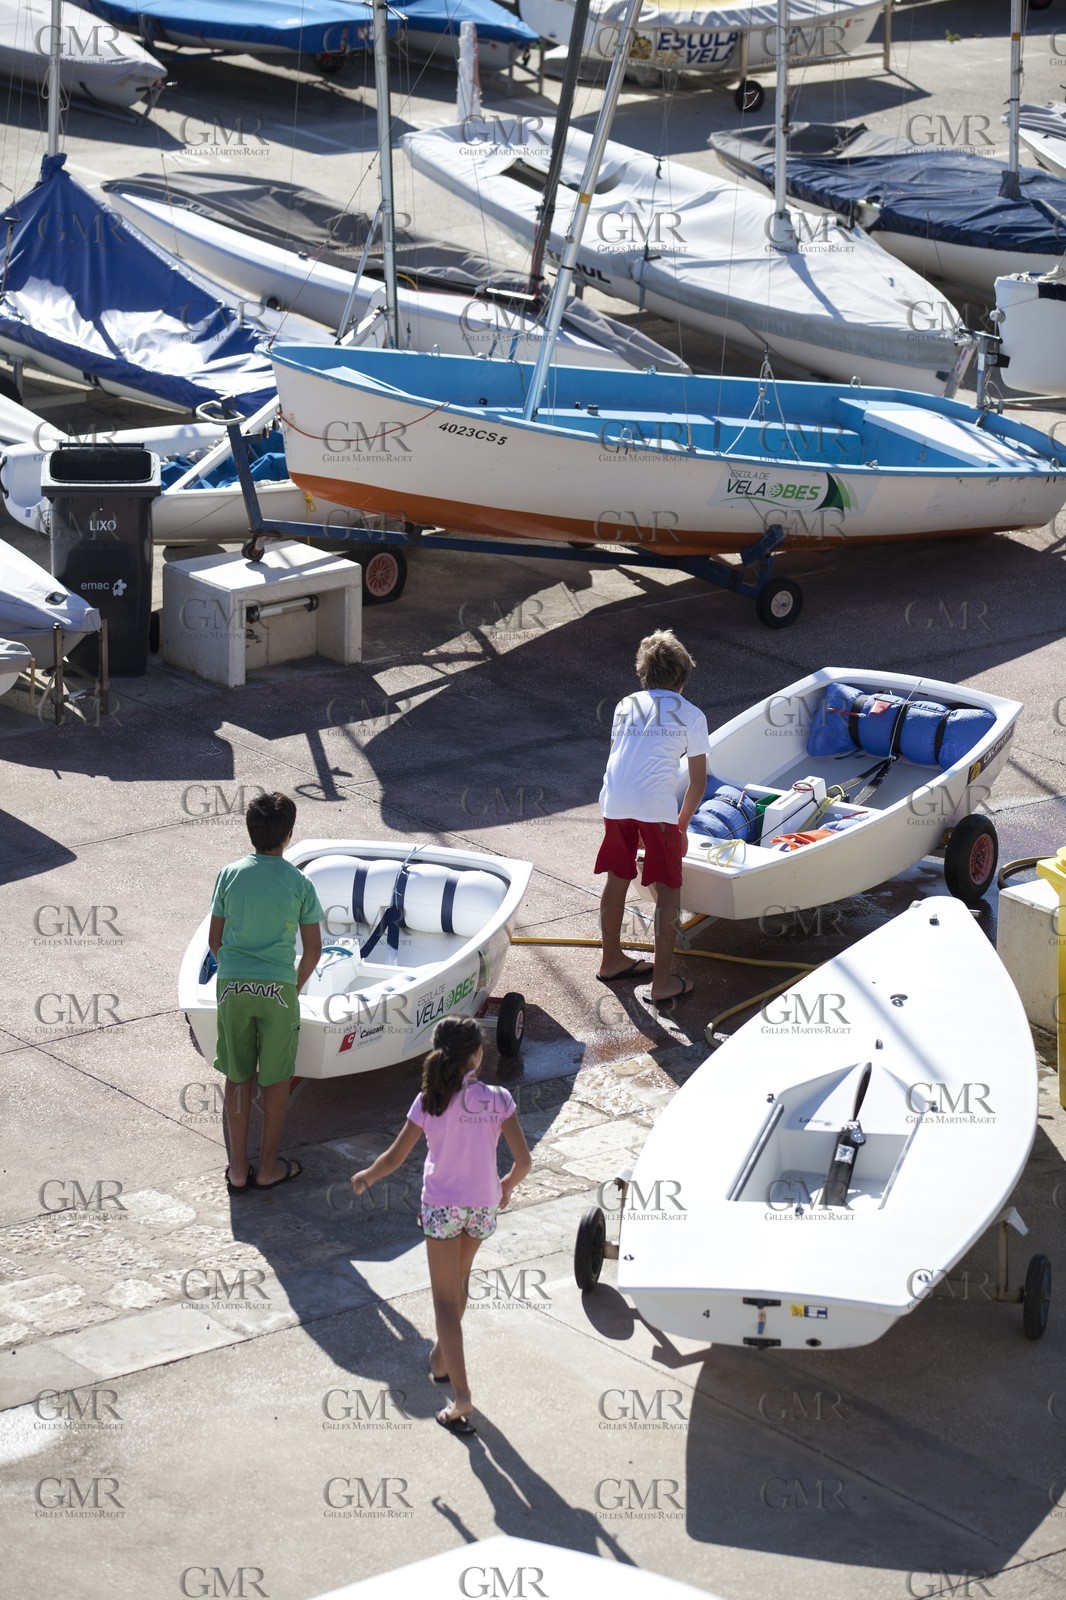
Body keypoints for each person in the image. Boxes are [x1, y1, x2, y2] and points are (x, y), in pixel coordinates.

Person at [351, 1015, 532, 1435]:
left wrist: (367, 1176)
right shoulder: (498, 1098)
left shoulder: (429, 1100)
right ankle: (439, 1360)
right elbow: (524, 1162)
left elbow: (395, 1158)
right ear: (477, 1054)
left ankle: (462, 1396)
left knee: (445, 1301)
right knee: (460, 1282)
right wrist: (505, 1185)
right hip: (483, 1206)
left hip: (442, 1210)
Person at [208, 791, 323, 1193]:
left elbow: (214, 941)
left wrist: (236, 974)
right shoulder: (299, 882)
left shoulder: (229, 874)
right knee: (275, 1080)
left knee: (238, 1076)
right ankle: (268, 1168)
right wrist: (292, 987)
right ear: (288, 835)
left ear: (249, 829)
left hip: (233, 984)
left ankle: (237, 1170)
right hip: (278, 989)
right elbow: (313, 951)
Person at [595, 629, 708, 1008]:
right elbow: (697, 782)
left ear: (644, 674)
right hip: (655, 808)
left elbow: (621, 755)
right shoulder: (692, 714)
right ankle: (662, 984)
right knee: (668, 892)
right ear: (682, 676)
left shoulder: (626, 704)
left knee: (618, 877)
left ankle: (611, 960)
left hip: (614, 799)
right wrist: (681, 826)